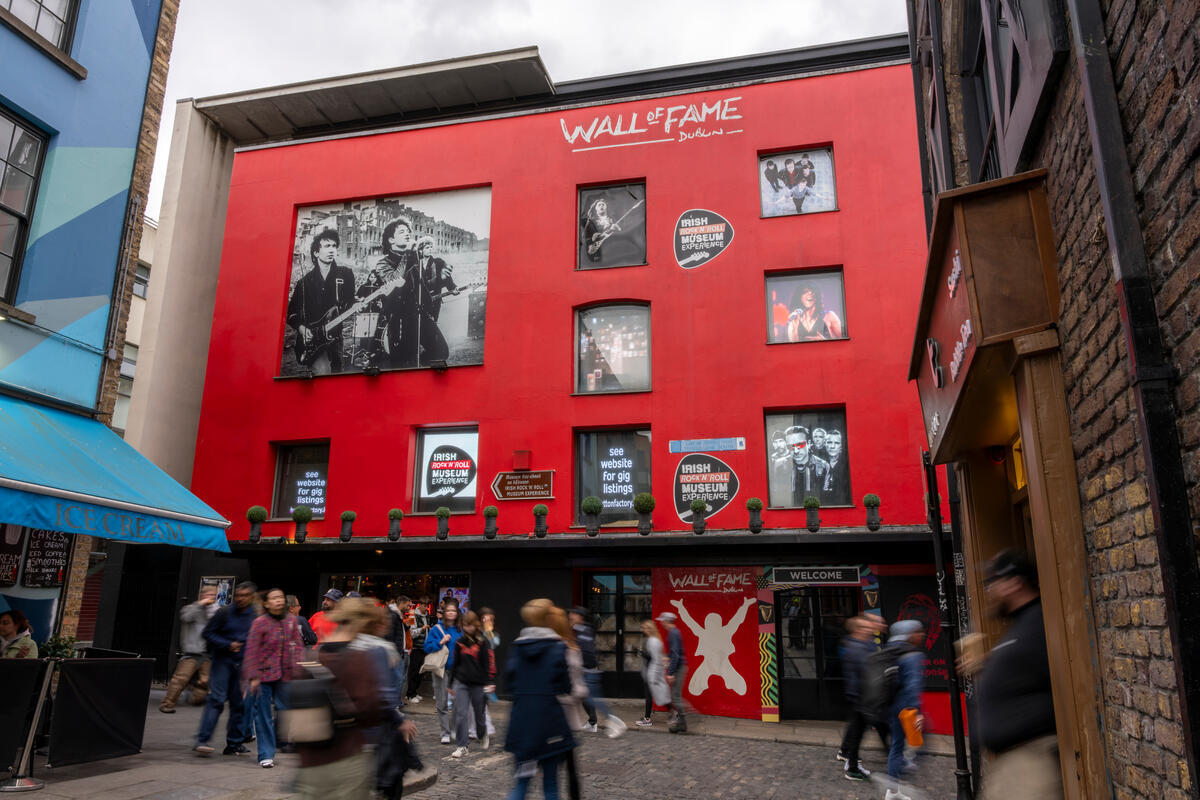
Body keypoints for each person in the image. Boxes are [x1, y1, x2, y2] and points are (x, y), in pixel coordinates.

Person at [961, 550, 1061, 799]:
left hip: (1031, 763)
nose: (989, 592)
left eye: (991, 584)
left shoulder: (1040, 622)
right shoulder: (1022, 625)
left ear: (1014, 583)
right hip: (1011, 765)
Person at [294, 597, 411, 800]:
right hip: (350, 753)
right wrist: (399, 721)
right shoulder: (366, 656)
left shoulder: (314, 654)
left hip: (311, 758)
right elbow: (378, 703)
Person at [504, 599, 575, 800]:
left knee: (521, 784)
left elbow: (509, 685)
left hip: (522, 722)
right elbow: (565, 687)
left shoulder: (516, 647)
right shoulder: (558, 647)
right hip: (549, 722)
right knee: (551, 785)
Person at [241, 588, 304, 768]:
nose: (278, 601)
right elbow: (252, 651)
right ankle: (266, 753)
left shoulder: (291, 621)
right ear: (266, 603)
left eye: (281, 598)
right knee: (263, 715)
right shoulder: (259, 623)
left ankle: (277, 740)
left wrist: (298, 667)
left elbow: (298, 646)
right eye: (274, 598)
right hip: (263, 675)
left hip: (285, 674)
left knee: (285, 711)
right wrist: (253, 676)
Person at [195, 581, 259, 756]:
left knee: (239, 705)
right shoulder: (224, 612)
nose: (240, 598)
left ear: (252, 597)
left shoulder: (254, 616)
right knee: (216, 699)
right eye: (238, 595)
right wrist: (227, 644)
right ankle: (203, 740)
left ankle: (234, 744)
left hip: (243, 665)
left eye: (245, 596)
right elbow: (207, 633)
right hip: (222, 661)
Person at [286, 228, 358, 374]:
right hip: (313, 338)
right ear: (316, 253)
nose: (331, 250)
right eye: (327, 246)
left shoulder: (346, 275)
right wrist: (301, 328)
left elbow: (349, 302)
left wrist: (357, 305)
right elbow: (291, 313)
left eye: (334, 246)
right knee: (323, 372)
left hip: (336, 337)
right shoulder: (304, 283)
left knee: (338, 374)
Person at [837, 615, 890, 781]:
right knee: (863, 732)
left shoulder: (865, 645)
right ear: (858, 630)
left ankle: (851, 763)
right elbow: (863, 674)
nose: (870, 629)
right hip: (863, 698)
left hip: (867, 697)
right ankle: (852, 765)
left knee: (859, 732)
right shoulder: (856, 648)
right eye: (866, 627)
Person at [669, 597, 755, 696]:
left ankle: (733, 682)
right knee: (694, 688)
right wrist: (681, 608)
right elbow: (689, 621)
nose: (710, 623)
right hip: (707, 664)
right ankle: (704, 683)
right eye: (709, 621)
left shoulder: (725, 631)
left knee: (740, 687)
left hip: (724, 664)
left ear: (718, 623)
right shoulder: (704, 633)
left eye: (713, 621)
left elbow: (737, 619)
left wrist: (745, 606)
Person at [884, 620, 927, 800]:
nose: (922, 635)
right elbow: (913, 684)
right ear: (910, 634)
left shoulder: (889, 651)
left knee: (896, 745)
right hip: (906, 708)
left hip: (891, 706)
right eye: (918, 632)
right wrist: (916, 711)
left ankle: (893, 789)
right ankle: (900, 773)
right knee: (921, 743)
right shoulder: (912, 655)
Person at [569, 606, 625, 738]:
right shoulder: (581, 630)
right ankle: (592, 723)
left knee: (593, 699)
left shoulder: (583, 631)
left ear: (580, 617)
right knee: (584, 698)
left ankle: (615, 721)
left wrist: (583, 665)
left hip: (589, 671)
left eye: (573, 615)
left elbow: (588, 653)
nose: (571, 617)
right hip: (586, 670)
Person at [161, 586, 218, 712]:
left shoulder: (213, 611)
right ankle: (167, 705)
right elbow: (186, 617)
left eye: (213, 595)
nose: (211, 597)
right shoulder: (191, 608)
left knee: (205, 680)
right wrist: (200, 604)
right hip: (192, 652)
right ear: (201, 595)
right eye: (208, 594)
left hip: (207, 653)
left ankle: (196, 699)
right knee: (180, 680)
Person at [448, 611, 496, 758]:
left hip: (478, 684)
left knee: (479, 714)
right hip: (462, 683)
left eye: (469, 625)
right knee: (461, 714)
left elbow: (486, 663)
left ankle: (483, 734)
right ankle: (462, 746)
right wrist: (450, 684)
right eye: (464, 625)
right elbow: (456, 663)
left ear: (475, 625)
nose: (467, 628)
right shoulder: (459, 642)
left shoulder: (482, 642)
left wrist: (489, 682)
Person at [424, 598, 462, 744]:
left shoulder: (461, 629)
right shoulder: (436, 629)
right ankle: (445, 732)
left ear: (457, 613)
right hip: (441, 670)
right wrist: (440, 642)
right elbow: (427, 647)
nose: (451, 613)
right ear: (444, 613)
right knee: (442, 703)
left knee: (459, 702)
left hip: (458, 671)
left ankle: (452, 729)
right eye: (449, 611)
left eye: (454, 610)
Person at [774, 425, 831, 507]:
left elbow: (827, 498)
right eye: (791, 447)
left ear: (809, 443)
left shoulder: (824, 466)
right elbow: (777, 494)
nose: (796, 451)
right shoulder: (779, 465)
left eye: (800, 445)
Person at [657, 611, 689, 732]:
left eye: (662, 621)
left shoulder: (673, 633)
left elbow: (675, 654)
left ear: (667, 621)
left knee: (676, 696)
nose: (661, 623)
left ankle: (682, 723)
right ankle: (681, 722)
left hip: (679, 668)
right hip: (680, 666)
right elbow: (674, 653)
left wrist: (670, 673)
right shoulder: (674, 632)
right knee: (676, 696)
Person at [636, 619, 670, 727]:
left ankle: (647, 719)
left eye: (644, 628)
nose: (643, 630)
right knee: (659, 695)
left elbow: (653, 659)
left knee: (653, 696)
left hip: (651, 673)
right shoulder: (655, 639)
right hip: (652, 672)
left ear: (649, 629)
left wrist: (641, 652)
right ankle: (674, 713)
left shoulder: (653, 641)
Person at [387, 595, 413, 707]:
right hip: (395, 654)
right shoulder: (393, 615)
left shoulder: (398, 615)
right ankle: (393, 706)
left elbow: (403, 631)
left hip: (401, 652)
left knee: (400, 679)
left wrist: (410, 620)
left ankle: (396, 703)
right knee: (396, 681)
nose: (409, 607)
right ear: (401, 603)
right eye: (408, 605)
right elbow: (390, 636)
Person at [406, 596, 432, 703]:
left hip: (424, 648)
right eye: (424, 606)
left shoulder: (427, 616)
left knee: (421, 671)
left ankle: (415, 692)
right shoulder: (412, 615)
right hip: (416, 648)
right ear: (420, 605)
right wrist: (422, 628)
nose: (426, 608)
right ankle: (410, 694)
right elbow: (411, 633)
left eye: (427, 606)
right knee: (414, 671)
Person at [823, 429, 850, 506]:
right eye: (829, 442)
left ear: (841, 445)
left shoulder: (846, 463)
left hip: (842, 504)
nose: (832, 446)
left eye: (837, 443)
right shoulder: (819, 462)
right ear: (825, 444)